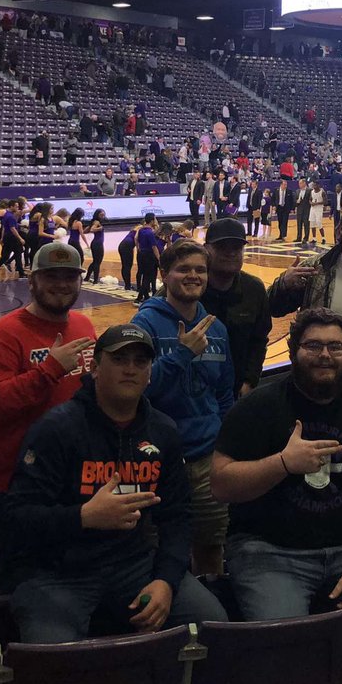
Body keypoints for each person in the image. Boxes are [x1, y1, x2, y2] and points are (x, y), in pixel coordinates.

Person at [5, 323, 227, 642]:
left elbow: (177, 517)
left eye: (140, 361)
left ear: (149, 374)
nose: (130, 369)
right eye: (120, 359)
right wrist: (83, 517)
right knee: (52, 655)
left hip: (133, 566)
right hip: (58, 574)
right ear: (95, 368)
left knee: (211, 622)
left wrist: (166, 580)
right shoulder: (55, 430)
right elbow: (16, 518)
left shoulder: (163, 431)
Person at [211, 308, 342, 619]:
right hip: (269, 552)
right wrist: (282, 463)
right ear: (293, 351)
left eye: (335, 346)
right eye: (313, 345)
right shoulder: (257, 407)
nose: (325, 355)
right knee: (288, 639)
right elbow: (220, 485)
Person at [0, 242, 97, 591]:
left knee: (72, 579)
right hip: (16, 487)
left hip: (70, 481)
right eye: (51, 277)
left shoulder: (84, 325)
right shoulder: (5, 334)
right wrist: (50, 370)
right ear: (32, 281)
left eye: (69, 277)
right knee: (20, 584)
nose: (61, 285)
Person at [132, 240, 234, 575]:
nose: (193, 276)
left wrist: (224, 443)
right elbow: (136, 389)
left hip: (206, 460)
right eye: (183, 269)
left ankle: (210, 604)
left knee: (210, 547)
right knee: (155, 552)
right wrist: (181, 354)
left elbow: (223, 393)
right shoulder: (144, 324)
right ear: (164, 274)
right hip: (157, 461)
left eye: (200, 270)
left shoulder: (216, 329)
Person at [201, 218, 272, 398]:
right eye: (222, 247)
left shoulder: (254, 289)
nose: (230, 253)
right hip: (192, 394)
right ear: (206, 249)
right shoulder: (190, 286)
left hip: (236, 393)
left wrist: (249, 381)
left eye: (237, 247)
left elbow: (259, 340)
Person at [0, 200, 26, 279]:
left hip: (7, 237)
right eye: (16, 206)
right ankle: (21, 273)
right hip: (12, 238)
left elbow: (4, 227)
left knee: (6, 256)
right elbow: (12, 229)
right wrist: (20, 238)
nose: (17, 208)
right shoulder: (10, 216)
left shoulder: (6, 214)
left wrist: (2, 238)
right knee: (18, 254)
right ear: (11, 206)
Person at [135, 212, 165, 303]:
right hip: (149, 256)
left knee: (145, 276)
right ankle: (140, 298)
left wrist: (139, 248)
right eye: (155, 219)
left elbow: (136, 239)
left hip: (141, 254)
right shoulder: (150, 233)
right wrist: (159, 258)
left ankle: (143, 297)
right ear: (152, 221)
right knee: (148, 277)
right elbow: (154, 247)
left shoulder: (141, 230)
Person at [84, 209, 106, 284]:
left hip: (96, 243)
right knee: (97, 262)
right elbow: (92, 229)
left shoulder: (95, 222)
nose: (103, 216)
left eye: (103, 215)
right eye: (101, 215)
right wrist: (100, 228)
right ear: (97, 215)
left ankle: (87, 277)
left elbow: (85, 231)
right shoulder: (97, 222)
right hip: (97, 244)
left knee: (95, 262)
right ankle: (95, 280)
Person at [309, 181, 327, 246]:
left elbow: (325, 201)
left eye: (315, 185)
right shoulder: (312, 192)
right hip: (313, 208)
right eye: (313, 185)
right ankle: (314, 238)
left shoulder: (322, 192)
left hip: (319, 208)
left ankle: (323, 238)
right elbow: (310, 199)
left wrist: (317, 203)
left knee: (319, 222)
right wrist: (311, 203)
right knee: (312, 223)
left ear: (318, 185)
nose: (314, 187)